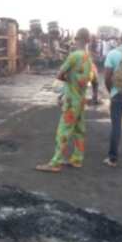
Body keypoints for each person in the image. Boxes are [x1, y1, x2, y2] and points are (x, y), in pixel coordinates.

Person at [36, 28, 98, 172]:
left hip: (71, 100)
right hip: (81, 100)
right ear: (88, 40)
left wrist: (69, 79)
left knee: (63, 131)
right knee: (79, 130)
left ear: (77, 39)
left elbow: (60, 74)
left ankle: (55, 163)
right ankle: (77, 159)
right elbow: (93, 79)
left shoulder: (74, 56)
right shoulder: (89, 58)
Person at [103, 29, 122, 167]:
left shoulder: (113, 53)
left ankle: (113, 158)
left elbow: (107, 77)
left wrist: (112, 91)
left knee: (116, 126)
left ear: (120, 39)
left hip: (117, 93)